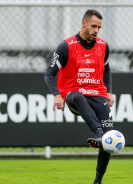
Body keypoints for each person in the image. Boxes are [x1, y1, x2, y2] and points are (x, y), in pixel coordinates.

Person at [44, 9, 114, 184]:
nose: (96, 30)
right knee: (77, 96)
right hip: (73, 95)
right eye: (93, 26)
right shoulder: (66, 46)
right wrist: (57, 95)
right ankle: (98, 134)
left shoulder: (103, 46)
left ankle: (98, 180)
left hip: (97, 94)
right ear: (83, 24)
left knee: (109, 139)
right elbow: (49, 74)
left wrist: (109, 91)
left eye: (99, 27)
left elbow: (107, 70)